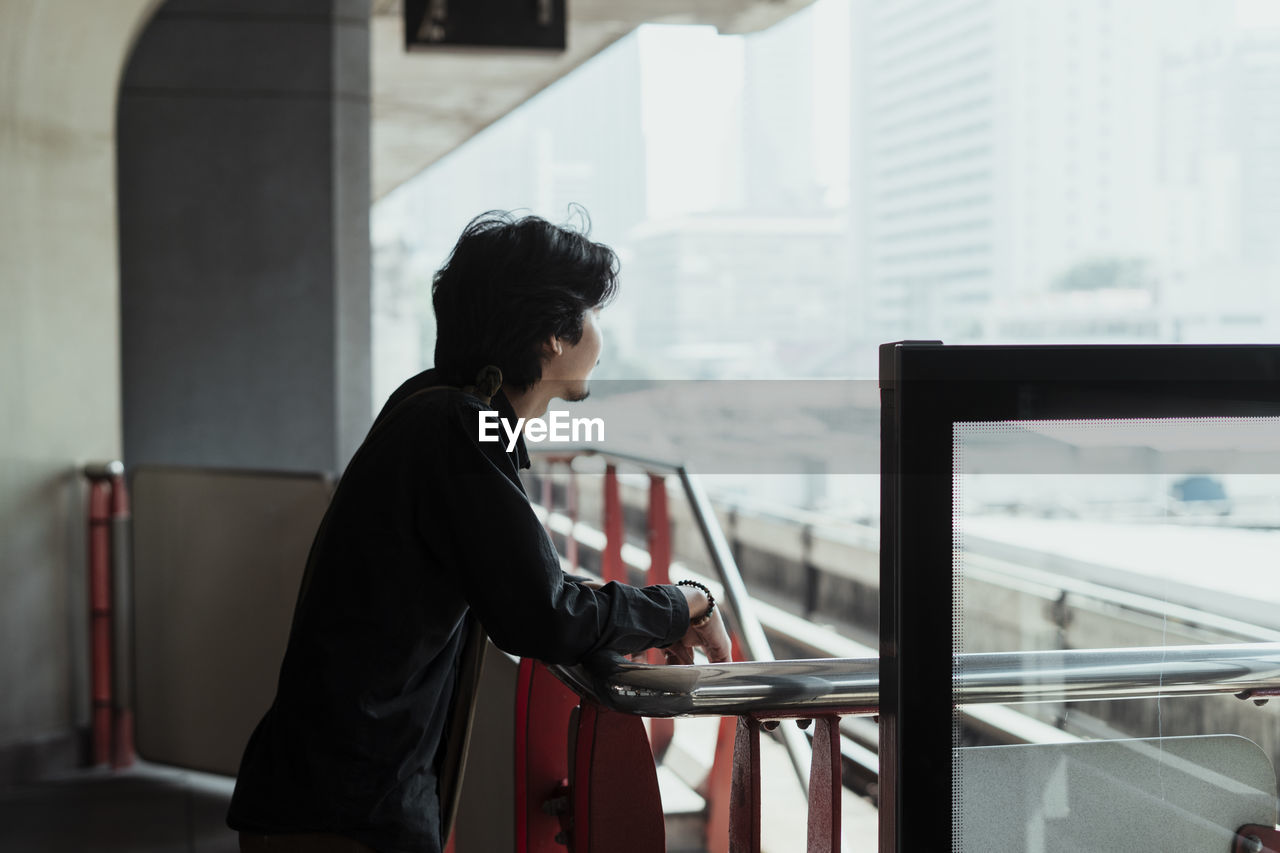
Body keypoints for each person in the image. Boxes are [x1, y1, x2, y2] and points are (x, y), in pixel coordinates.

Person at [226, 210, 732, 853]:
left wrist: (643, 616)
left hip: (328, 794)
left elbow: (522, 583)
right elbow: (542, 615)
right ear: (553, 333)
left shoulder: (434, 406)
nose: (600, 334)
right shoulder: (454, 426)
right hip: (345, 811)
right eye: (589, 310)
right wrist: (681, 603)